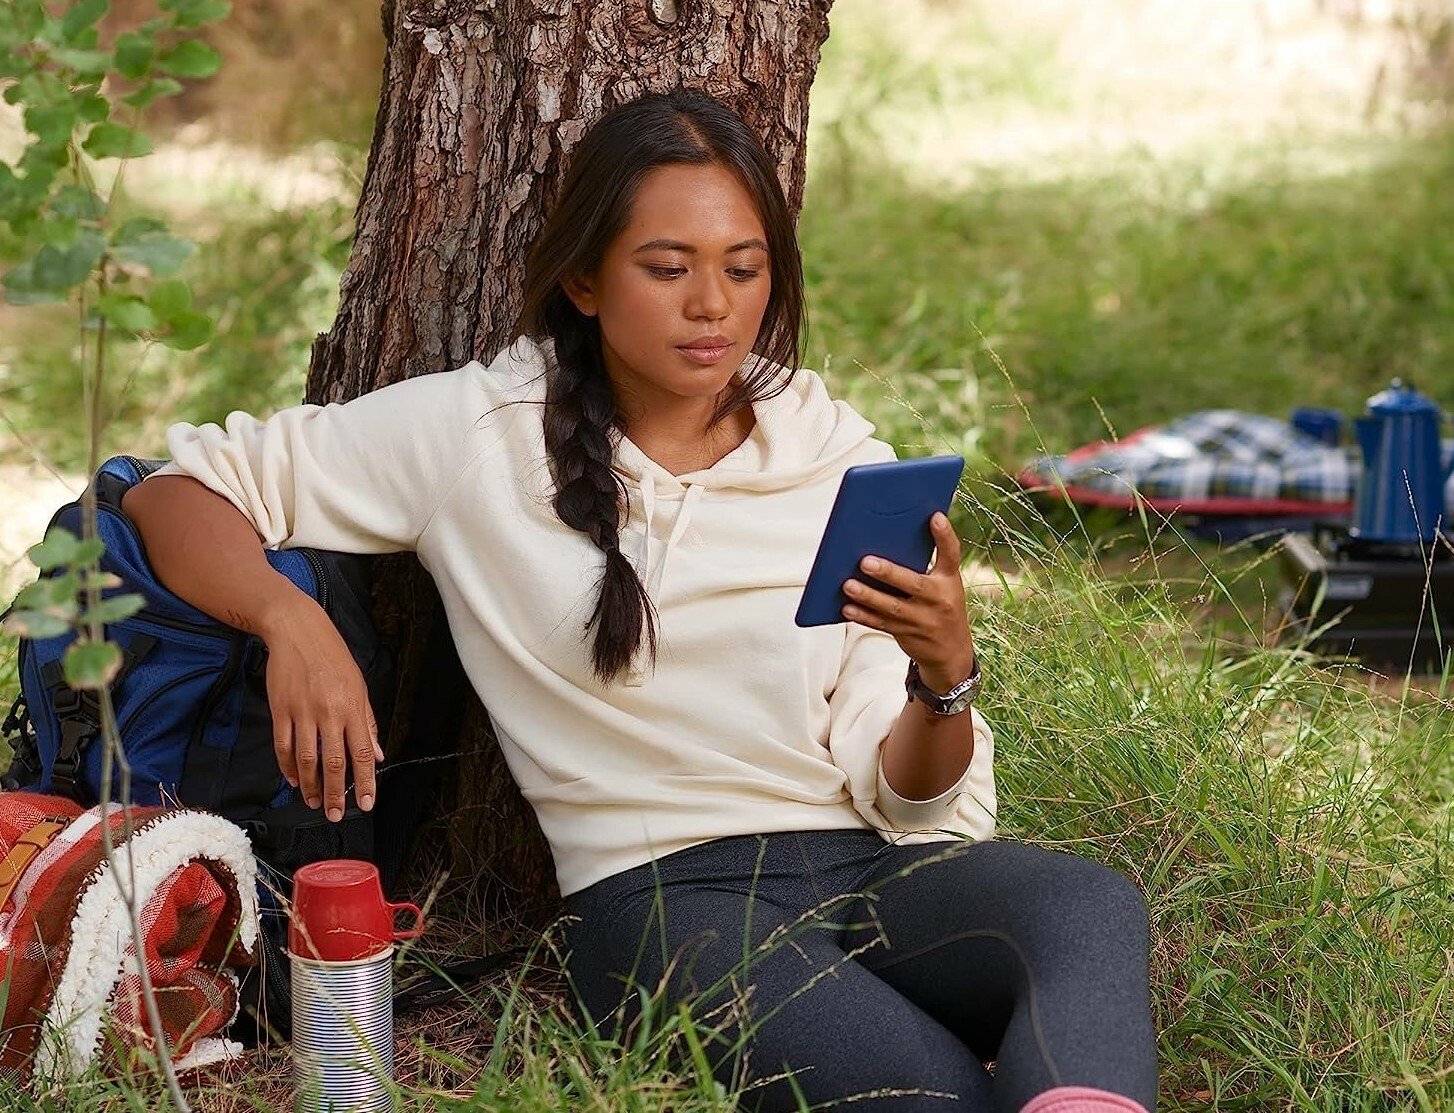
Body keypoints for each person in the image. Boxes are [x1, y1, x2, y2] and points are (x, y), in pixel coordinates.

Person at [121, 89, 1158, 1113]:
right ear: (584, 279)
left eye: (743, 269)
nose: (712, 305)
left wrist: (943, 676)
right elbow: (176, 493)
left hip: (869, 871)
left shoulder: (832, 452)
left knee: (1086, 906)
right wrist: (289, 619)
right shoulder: (480, 432)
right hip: (664, 902)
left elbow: (910, 799)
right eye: (667, 268)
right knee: (926, 1092)